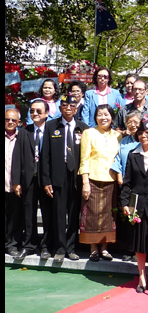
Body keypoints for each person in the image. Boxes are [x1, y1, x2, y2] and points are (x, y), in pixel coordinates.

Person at [41, 95, 89, 262]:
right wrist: (46, 180)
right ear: (60, 108)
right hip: (57, 177)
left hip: (76, 177)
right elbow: (44, 155)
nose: (69, 108)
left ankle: (71, 247)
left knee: (74, 214)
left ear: (76, 108)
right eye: (65, 105)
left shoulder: (83, 128)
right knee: (59, 214)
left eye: (72, 105)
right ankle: (60, 248)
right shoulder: (51, 126)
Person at [120, 117, 148, 293]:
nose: (144, 136)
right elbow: (127, 182)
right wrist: (125, 202)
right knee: (139, 244)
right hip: (137, 204)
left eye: (147, 132)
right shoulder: (133, 154)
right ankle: (141, 277)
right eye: (140, 133)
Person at [78, 104, 122, 262]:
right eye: (100, 115)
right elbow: (84, 159)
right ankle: (93, 248)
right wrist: (85, 182)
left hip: (111, 180)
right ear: (95, 117)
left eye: (107, 114)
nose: (104, 118)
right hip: (93, 179)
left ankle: (105, 248)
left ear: (112, 116)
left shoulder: (117, 135)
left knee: (108, 215)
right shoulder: (89, 133)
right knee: (92, 214)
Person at [12, 100, 53, 260]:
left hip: (46, 180)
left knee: (47, 213)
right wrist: (16, 181)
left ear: (46, 113)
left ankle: (46, 246)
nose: (35, 114)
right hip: (28, 179)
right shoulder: (24, 132)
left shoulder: (52, 130)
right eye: (32, 111)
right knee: (28, 214)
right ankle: (29, 245)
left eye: (38, 111)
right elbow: (17, 157)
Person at [110, 110, 142, 262]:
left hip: (141, 185)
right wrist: (118, 175)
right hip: (126, 185)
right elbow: (117, 159)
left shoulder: (145, 139)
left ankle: (139, 250)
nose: (133, 125)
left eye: (136, 122)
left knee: (140, 218)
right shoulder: (124, 141)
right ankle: (129, 249)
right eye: (129, 122)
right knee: (129, 216)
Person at [5, 107, 23, 257]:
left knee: (15, 217)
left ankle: (12, 245)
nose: (10, 122)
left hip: (16, 184)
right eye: (7, 119)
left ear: (18, 122)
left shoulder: (23, 136)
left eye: (13, 120)